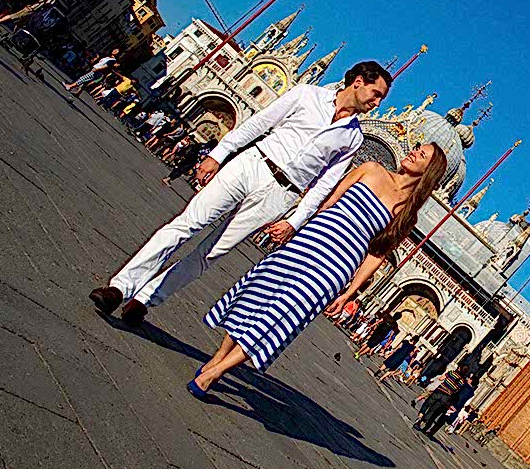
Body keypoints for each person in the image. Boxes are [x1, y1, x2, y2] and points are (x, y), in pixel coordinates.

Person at [88, 61, 391, 326]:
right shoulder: (307, 94)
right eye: (375, 94)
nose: (376, 103)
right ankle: (119, 288)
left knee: (211, 253)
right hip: (254, 164)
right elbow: (259, 123)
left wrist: (295, 221)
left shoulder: (352, 137)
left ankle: (145, 299)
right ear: (358, 82)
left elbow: (325, 184)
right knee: (186, 226)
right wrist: (218, 154)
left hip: (281, 194)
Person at [188, 144, 448, 397]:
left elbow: (376, 254)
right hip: (310, 241)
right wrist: (296, 226)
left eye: (421, 154)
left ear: (428, 172)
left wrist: (349, 293)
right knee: (258, 298)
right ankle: (217, 360)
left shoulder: (406, 214)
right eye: (416, 147)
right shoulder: (370, 169)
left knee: (280, 316)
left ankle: (216, 371)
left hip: (336, 267)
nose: (413, 151)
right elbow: (327, 202)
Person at [414, 365, 470, 437]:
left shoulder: (452, 373)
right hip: (446, 396)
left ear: (459, 368)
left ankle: (420, 417)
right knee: (433, 410)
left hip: (440, 391)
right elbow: (457, 390)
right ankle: (420, 422)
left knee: (427, 403)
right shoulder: (463, 381)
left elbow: (441, 378)